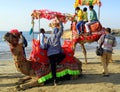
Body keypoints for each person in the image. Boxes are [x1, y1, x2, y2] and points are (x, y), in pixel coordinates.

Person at [45, 17, 65, 86]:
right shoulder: (57, 36)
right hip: (56, 53)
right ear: (56, 31)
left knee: (53, 68)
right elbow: (62, 29)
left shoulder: (49, 37)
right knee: (63, 55)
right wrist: (60, 22)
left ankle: (55, 81)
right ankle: (57, 62)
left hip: (50, 55)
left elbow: (45, 46)